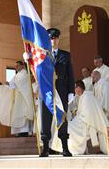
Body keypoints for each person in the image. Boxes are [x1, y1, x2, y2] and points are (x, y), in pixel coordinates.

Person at [51, 80, 109, 155]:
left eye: (76, 89)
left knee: (68, 127)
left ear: (79, 88)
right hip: (81, 121)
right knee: (64, 125)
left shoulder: (87, 96)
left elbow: (87, 115)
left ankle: (72, 149)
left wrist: (76, 119)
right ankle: (65, 148)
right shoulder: (83, 96)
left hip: (86, 123)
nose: (75, 91)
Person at [40, 28, 74, 157]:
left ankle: (65, 148)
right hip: (47, 91)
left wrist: (71, 91)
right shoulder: (42, 55)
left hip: (61, 91)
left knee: (62, 119)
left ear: (58, 39)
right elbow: (37, 70)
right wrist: (28, 59)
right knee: (46, 120)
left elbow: (70, 74)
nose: (53, 40)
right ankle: (45, 148)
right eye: (50, 38)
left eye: (55, 38)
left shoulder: (65, 55)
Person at [9, 61, 34, 137]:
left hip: (24, 97)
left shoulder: (23, 75)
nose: (16, 67)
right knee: (22, 113)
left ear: (23, 66)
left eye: (17, 66)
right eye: (15, 66)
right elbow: (12, 85)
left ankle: (24, 132)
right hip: (22, 97)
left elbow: (13, 85)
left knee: (24, 113)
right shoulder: (18, 75)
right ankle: (25, 131)